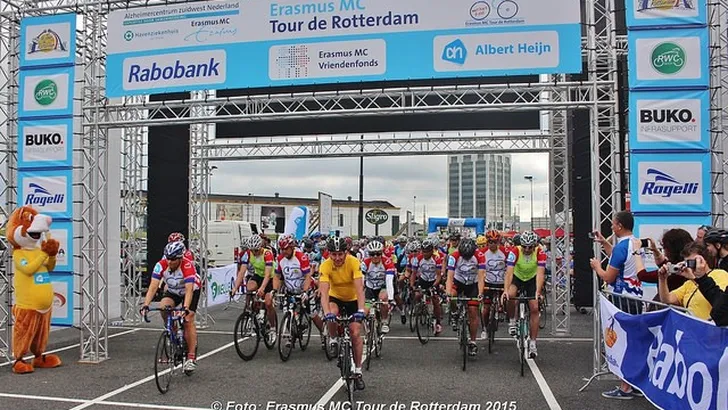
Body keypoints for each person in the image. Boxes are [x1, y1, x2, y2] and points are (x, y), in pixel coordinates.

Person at [589, 211, 644, 400]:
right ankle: (632, 383)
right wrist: (604, 242)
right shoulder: (634, 243)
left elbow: (608, 276)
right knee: (633, 340)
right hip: (636, 297)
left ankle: (625, 387)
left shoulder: (623, 247)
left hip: (622, 298)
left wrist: (597, 267)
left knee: (622, 342)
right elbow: (619, 259)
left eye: (613, 224)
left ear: (619, 225)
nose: (611, 227)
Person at [141, 241, 201, 373]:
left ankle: (191, 357)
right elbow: (153, 286)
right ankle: (172, 331)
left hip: (190, 290)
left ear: (180, 258)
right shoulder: (161, 265)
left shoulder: (187, 265)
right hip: (174, 291)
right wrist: (146, 305)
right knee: (164, 307)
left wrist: (185, 308)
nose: (169, 261)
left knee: (188, 318)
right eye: (167, 258)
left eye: (173, 259)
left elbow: (189, 289)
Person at [319, 236, 367, 391]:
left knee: (355, 333)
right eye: (334, 254)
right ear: (329, 253)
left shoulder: (354, 262)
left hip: (353, 299)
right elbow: (324, 293)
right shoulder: (325, 266)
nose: (337, 258)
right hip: (336, 297)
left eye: (341, 254)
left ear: (346, 252)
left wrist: (360, 310)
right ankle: (333, 339)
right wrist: (326, 313)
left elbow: (360, 289)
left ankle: (358, 371)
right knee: (331, 314)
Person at [274, 234, 325, 348]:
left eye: (286, 249)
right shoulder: (280, 258)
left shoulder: (301, 257)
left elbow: (308, 276)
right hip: (290, 290)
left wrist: (305, 292)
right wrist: (274, 291)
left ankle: (324, 334)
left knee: (312, 314)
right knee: (287, 312)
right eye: (281, 249)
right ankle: (292, 334)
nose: (284, 251)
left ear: (292, 247)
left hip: (305, 288)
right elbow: (277, 276)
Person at [656, 241, 728, 320]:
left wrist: (698, 278)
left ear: (704, 260)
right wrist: (662, 279)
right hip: (692, 328)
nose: (690, 266)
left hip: (709, 327)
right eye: (687, 263)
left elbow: (720, 302)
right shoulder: (689, 283)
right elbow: (667, 299)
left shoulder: (720, 274)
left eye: (692, 262)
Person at [502, 230, 545, 359]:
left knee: (534, 307)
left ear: (534, 245)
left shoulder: (540, 253)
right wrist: (505, 290)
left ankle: (533, 343)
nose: (527, 249)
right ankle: (512, 320)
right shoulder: (515, 251)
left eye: (530, 247)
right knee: (510, 295)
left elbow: (540, 274)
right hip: (517, 277)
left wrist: (538, 292)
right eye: (524, 246)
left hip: (532, 279)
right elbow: (509, 273)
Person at [230, 234, 277, 343]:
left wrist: (262, 288)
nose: (254, 253)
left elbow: (267, 274)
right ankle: (253, 310)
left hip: (270, 277)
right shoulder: (248, 253)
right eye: (252, 250)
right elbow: (241, 273)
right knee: (250, 287)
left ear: (260, 247)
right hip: (258, 275)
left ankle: (273, 328)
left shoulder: (268, 254)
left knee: (268, 302)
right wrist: (235, 288)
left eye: (256, 250)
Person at [446, 238, 486, 356]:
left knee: (473, 311)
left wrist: (480, 293)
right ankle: (454, 312)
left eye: (469, 256)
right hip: (458, 281)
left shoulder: (480, 256)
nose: (467, 258)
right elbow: (449, 277)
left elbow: (481, 277)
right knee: (452, 295)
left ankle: (473, 341)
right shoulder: (454, 256)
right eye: (465, 256)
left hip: (473, 283)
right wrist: (448, 293)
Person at [361, 240, 396, 333]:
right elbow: (361, 279)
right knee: (365, 310)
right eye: (372, 254)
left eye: (378, 253)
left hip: (382, 286)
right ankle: (368, 333)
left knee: (383, 299)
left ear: (381, 253)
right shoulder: (365, 263)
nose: (375, 256)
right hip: (370, 288)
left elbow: (389, 281)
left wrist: (391, 298)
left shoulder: (387, 262)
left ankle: (384, 322)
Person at [409, 238, 444, 334]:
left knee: (435, 300)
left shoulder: (436, 259)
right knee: (417, 295)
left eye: (427, 251)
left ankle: (438, 322)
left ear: (432, 251)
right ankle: (419, 308)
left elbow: (438, 275)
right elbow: (413, 273)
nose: (425, 254)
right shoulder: (418, 259)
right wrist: (412, 285)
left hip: (434, 280)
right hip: (423, 280)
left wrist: (434, 285)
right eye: (423, 251)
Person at [481, 230, 507, 339]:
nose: (492, 244)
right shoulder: (482, 252)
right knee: (486, 309)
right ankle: (484, 328)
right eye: (490, 242)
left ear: (499, 242)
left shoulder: (505, 252)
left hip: (501, 282)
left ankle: (505, 312)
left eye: (495, 242)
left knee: (507, 301)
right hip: (488, 282)